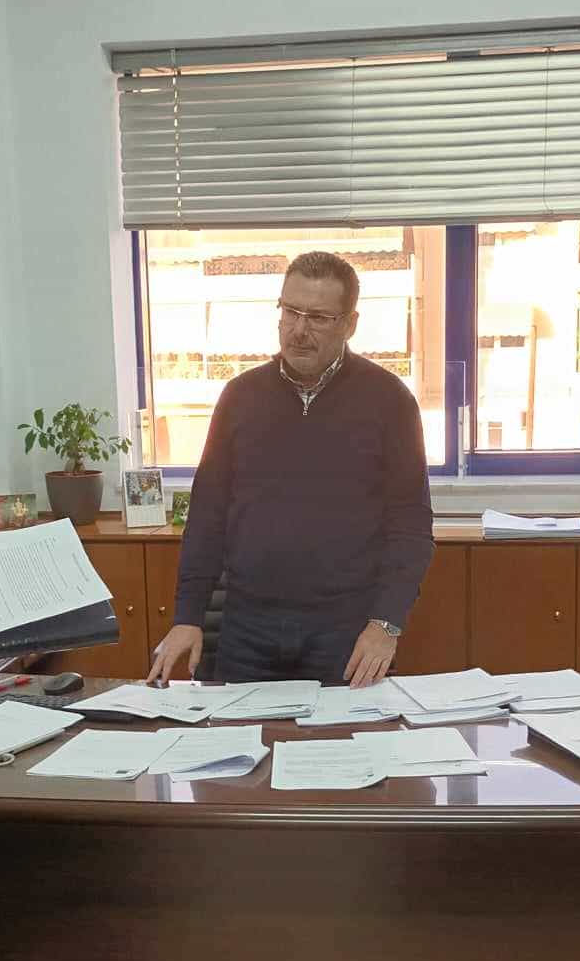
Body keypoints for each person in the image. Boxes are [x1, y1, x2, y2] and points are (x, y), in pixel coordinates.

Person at [148, 250, 433, 688]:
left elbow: (410, 528)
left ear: (350, 324)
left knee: (348, 734)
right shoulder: (239, 398)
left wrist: (386, 624)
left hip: (346, 631)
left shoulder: (390, 402)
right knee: (240, 734)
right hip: (247, 630)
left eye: (318, 317)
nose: (299, 330)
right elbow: (207, 516)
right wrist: (187, 617)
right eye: (290, 312)